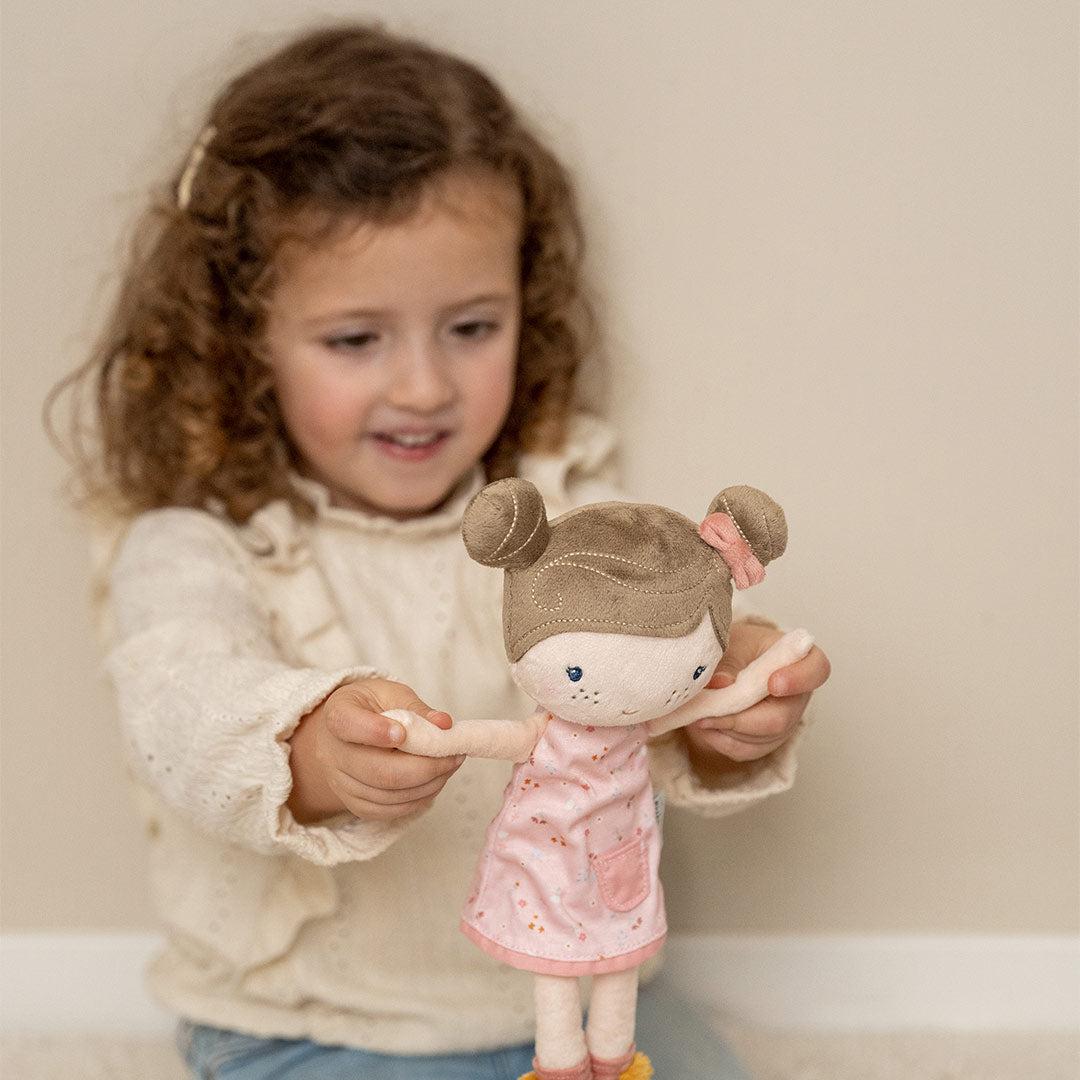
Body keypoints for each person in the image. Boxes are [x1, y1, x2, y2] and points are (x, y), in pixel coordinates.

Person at [46, 20, 831, 1080]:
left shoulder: (568, 509)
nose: (423, 387)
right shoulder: (199, 543)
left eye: (470, 328)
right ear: (243, 344)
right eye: (355, 339)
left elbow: (642, 684)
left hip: (591, 992)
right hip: (316, 1024)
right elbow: (176, 709)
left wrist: (725, 697)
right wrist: (308, 752)